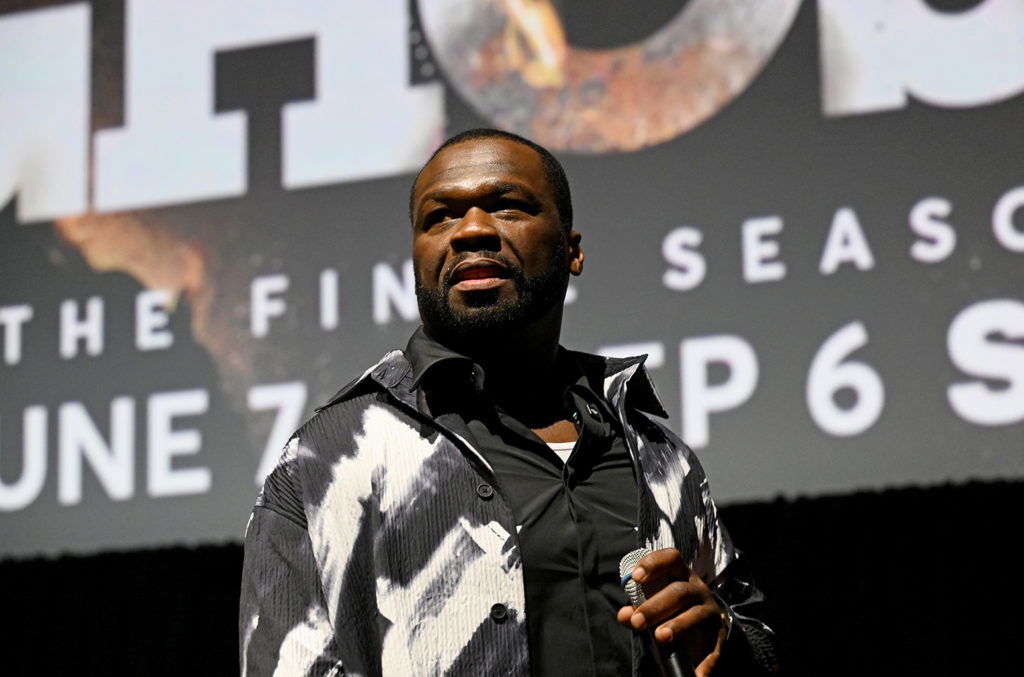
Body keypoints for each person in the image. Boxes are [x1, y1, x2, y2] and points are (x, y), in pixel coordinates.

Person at [239, 128, 777, 676]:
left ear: (572, 249)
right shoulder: (326, 458)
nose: (472, 230)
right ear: (417, 258)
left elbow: (755, 641)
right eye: (440, 217)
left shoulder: (658, 453)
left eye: (507, 206)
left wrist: (728, 641)